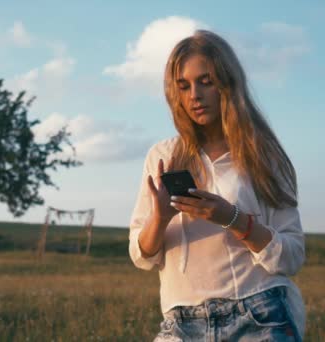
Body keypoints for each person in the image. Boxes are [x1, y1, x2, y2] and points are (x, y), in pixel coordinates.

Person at [129, 30, 306, 341]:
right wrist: (159, 219)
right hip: (181, 322)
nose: (194, 95)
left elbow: (291, 256)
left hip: (258, 313)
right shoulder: (163, 156)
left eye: (205, 81)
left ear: (227, 83)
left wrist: (232, 218)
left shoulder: (262, 155)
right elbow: (141, 255)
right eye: (183, 86)